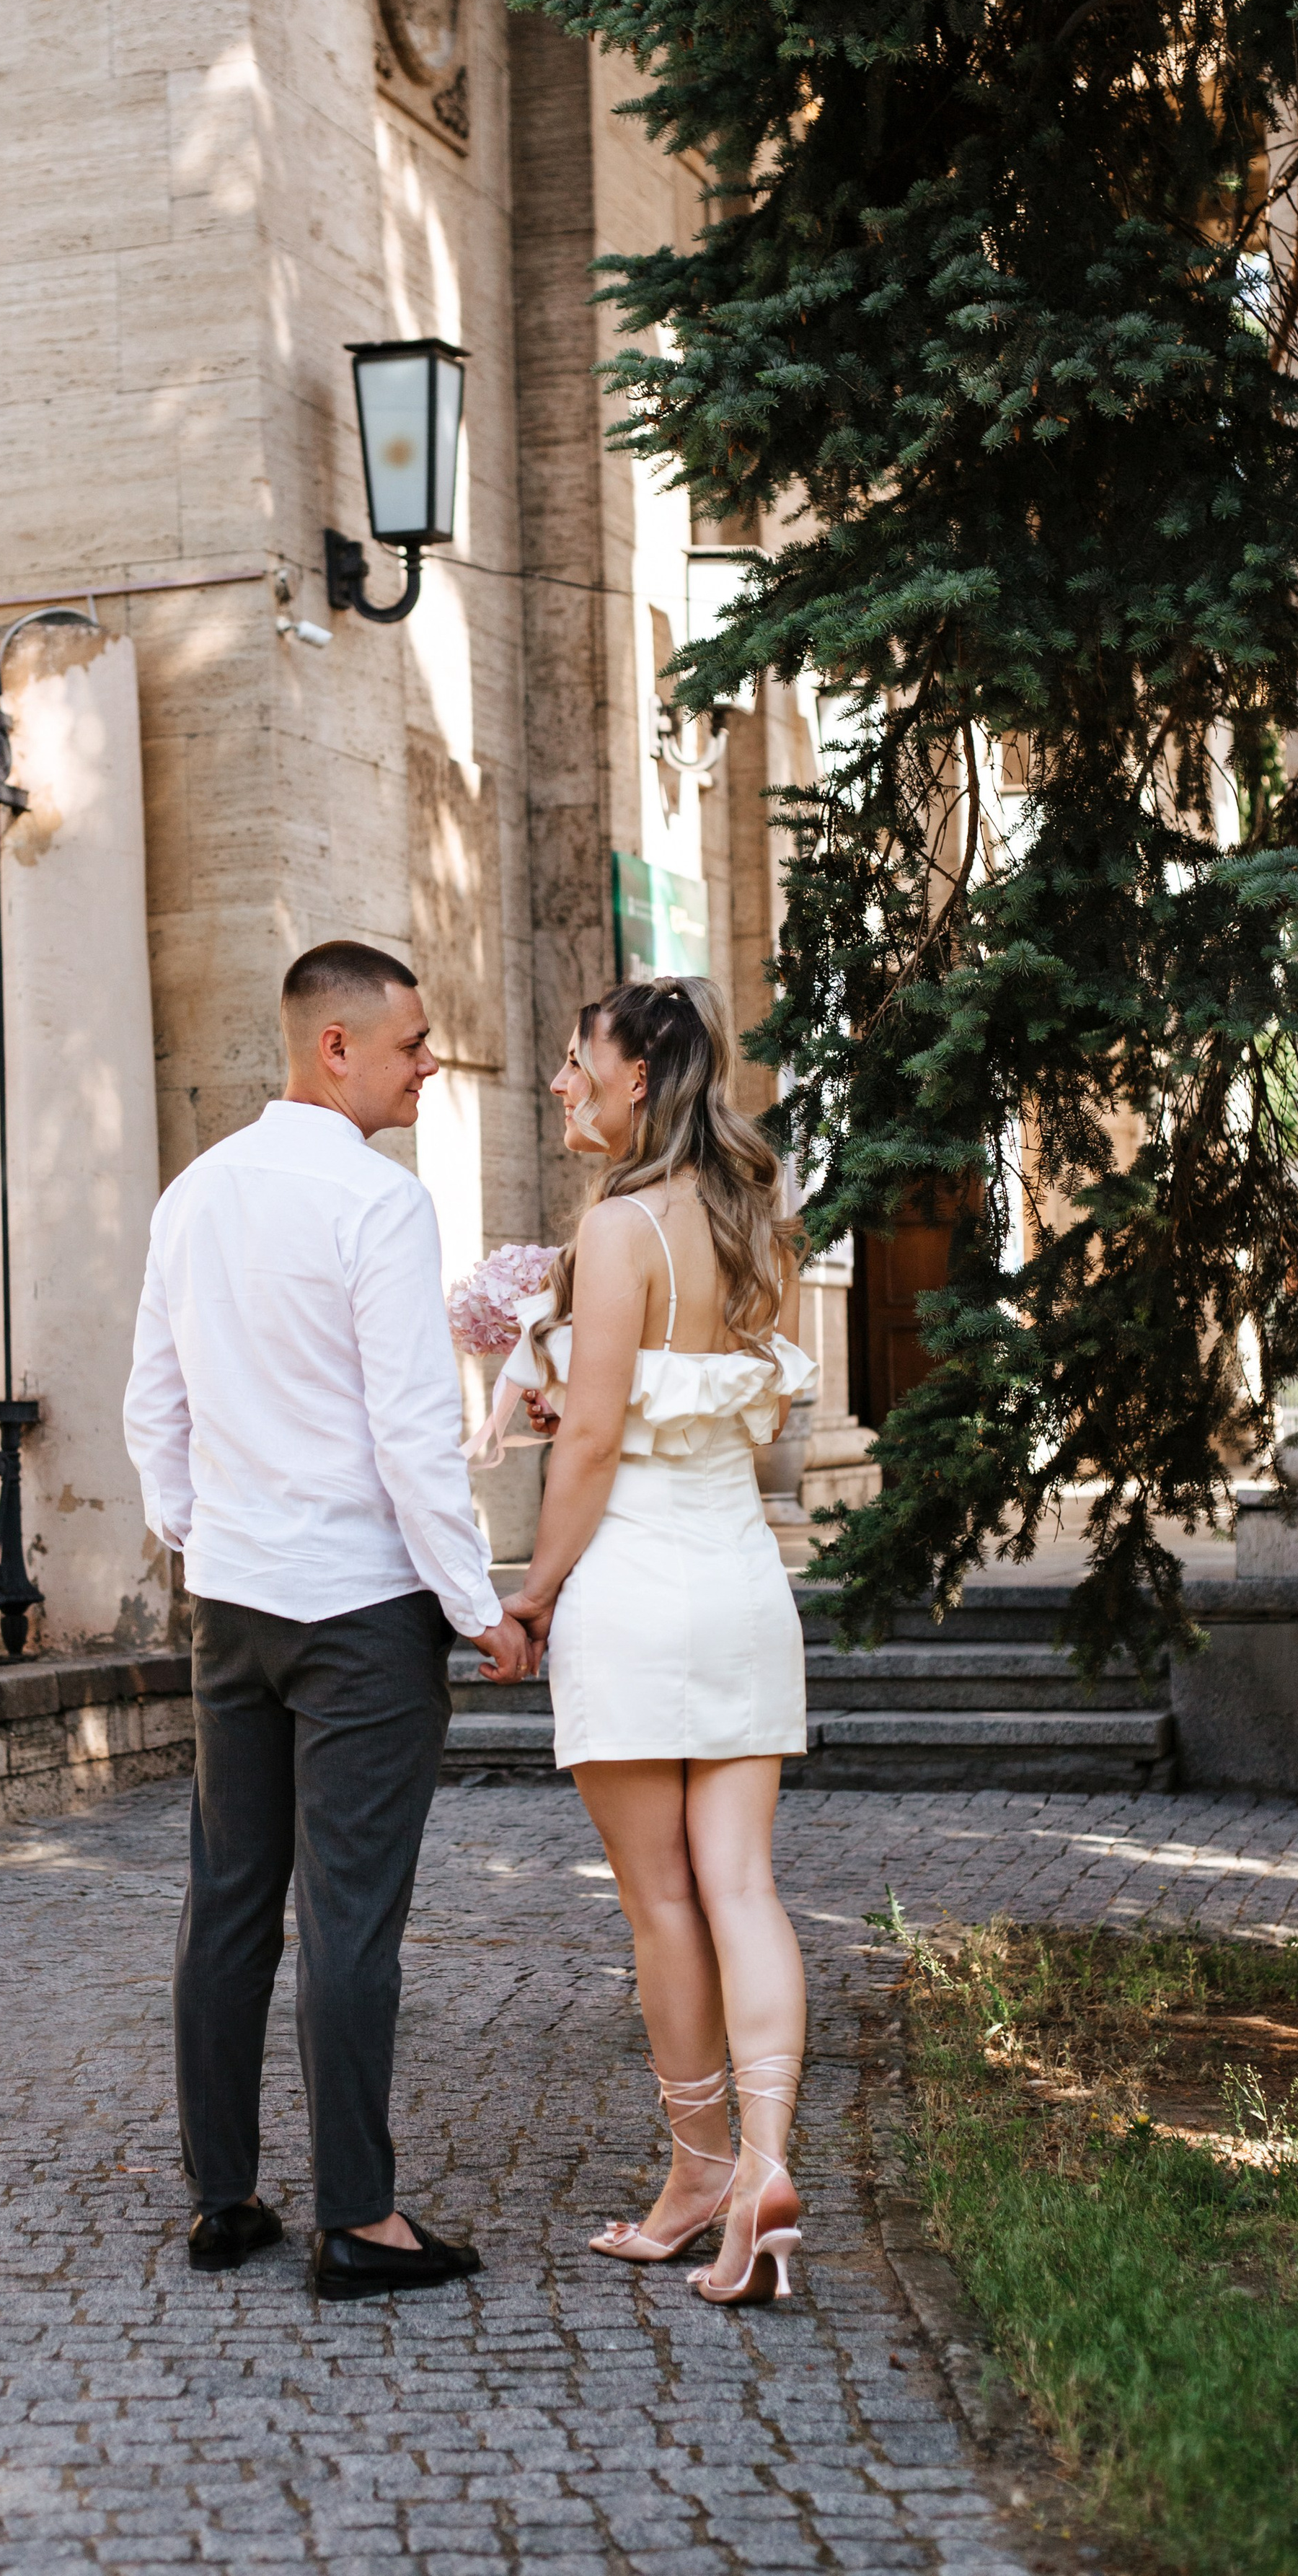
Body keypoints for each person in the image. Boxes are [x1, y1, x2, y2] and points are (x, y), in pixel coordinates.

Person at [123, 941, 531, 2301]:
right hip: (361, 1611)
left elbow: (152, 1408)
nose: (431, 1066)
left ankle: (223, 2202)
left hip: (233, 1605)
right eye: (413, 1044)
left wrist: (203, 1536)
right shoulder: (377, 1204)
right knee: (350, 1919)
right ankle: (359, 2219)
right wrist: (480, 1612)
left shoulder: (194, 1195)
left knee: (230, 1900)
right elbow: (415, 1439)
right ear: (335, 1047)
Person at [498, 976, 813, 2306]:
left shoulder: (621, 1229)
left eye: (579, 1064)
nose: (564, 1085)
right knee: (742, 1887)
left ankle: (698, 2170)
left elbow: (591, 1440)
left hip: (632, 1584)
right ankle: (770, 2164)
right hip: (741, 1581)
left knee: (662, 1902)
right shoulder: (751, 1221)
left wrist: (530, 1591)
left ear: (639, 1080)